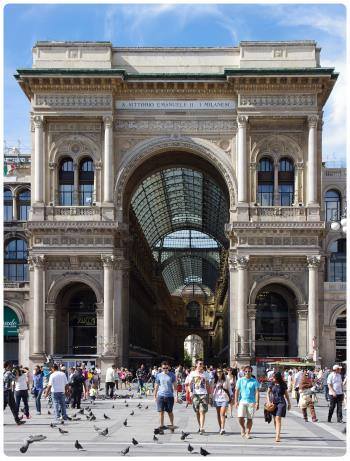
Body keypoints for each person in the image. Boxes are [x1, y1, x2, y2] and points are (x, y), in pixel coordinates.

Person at [235, 365, 260, 439]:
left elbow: (257, 392)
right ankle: (243, 427)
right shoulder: (240, 380)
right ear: (244, 372)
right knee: (240, 417)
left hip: (251, 402)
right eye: (246, 371)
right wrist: (236, 401)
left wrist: (257, 402)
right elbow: (237, 391)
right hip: (242, 401)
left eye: (249, 371)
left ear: (251, 372)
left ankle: (248, 432)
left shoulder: (254, 381)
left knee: (250, 418)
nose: (247, 373)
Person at [154, 361, 179, 434]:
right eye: (163, 368)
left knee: (170, 412)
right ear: (161, 368)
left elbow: (175, 387)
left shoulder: (172, 375)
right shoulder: (158, 375)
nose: (165, 369)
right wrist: (155, 395)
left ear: (169, 367)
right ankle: (161, 427)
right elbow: (156, 386)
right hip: (161, 396)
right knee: (161, 412)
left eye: (166, 368)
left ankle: (171, 425)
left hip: (169, 396)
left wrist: (176, 396)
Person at [267, 372, 291, 442]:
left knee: (278, 418)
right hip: (273, 402)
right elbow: (268, 392)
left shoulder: (283, 384)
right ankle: (277, 432)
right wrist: (268, 401)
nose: (272, 379)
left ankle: (277, 436)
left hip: (281, 402)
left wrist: (289, 403)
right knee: (275, 419)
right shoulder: (272, 384)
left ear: (278, 378)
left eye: (274, 378)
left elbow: (286, 394)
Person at [188, 359, 211, 434]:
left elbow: (207, 385)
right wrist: (191, 392)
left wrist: (209, 395)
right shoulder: (192, 373)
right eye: (200, 364)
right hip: (195, 395)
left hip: (203, 394)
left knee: (202, 411)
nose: (201, 365)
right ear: (196, 365)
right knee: (197, 411)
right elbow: (190, 384)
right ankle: (199, 426)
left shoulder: (206, 374)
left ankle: (202, 427)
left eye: (202, 364)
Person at [3, 361, 25, 425]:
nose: (12, 367)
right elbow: (16, 379)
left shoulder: (3, 372)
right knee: (13, 406)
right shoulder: (9, 373)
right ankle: (17, 421)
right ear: (7, 366)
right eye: (11, 366)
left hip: (3, 391)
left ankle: (17, 420)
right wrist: (17, 373)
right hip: (7, 392)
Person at [212, 368, 232, 434]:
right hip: (217, 398)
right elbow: (212, 389)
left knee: (222, 414)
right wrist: (210, 397)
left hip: (224, 398)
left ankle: (223, 428)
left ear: (222, 372)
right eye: (217, 372)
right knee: (218, 414)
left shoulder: (226, 379)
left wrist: (232, 396)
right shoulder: (214, 380)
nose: (219, 373)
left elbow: (229, 388)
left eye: (220, 371)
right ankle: (220, 428)